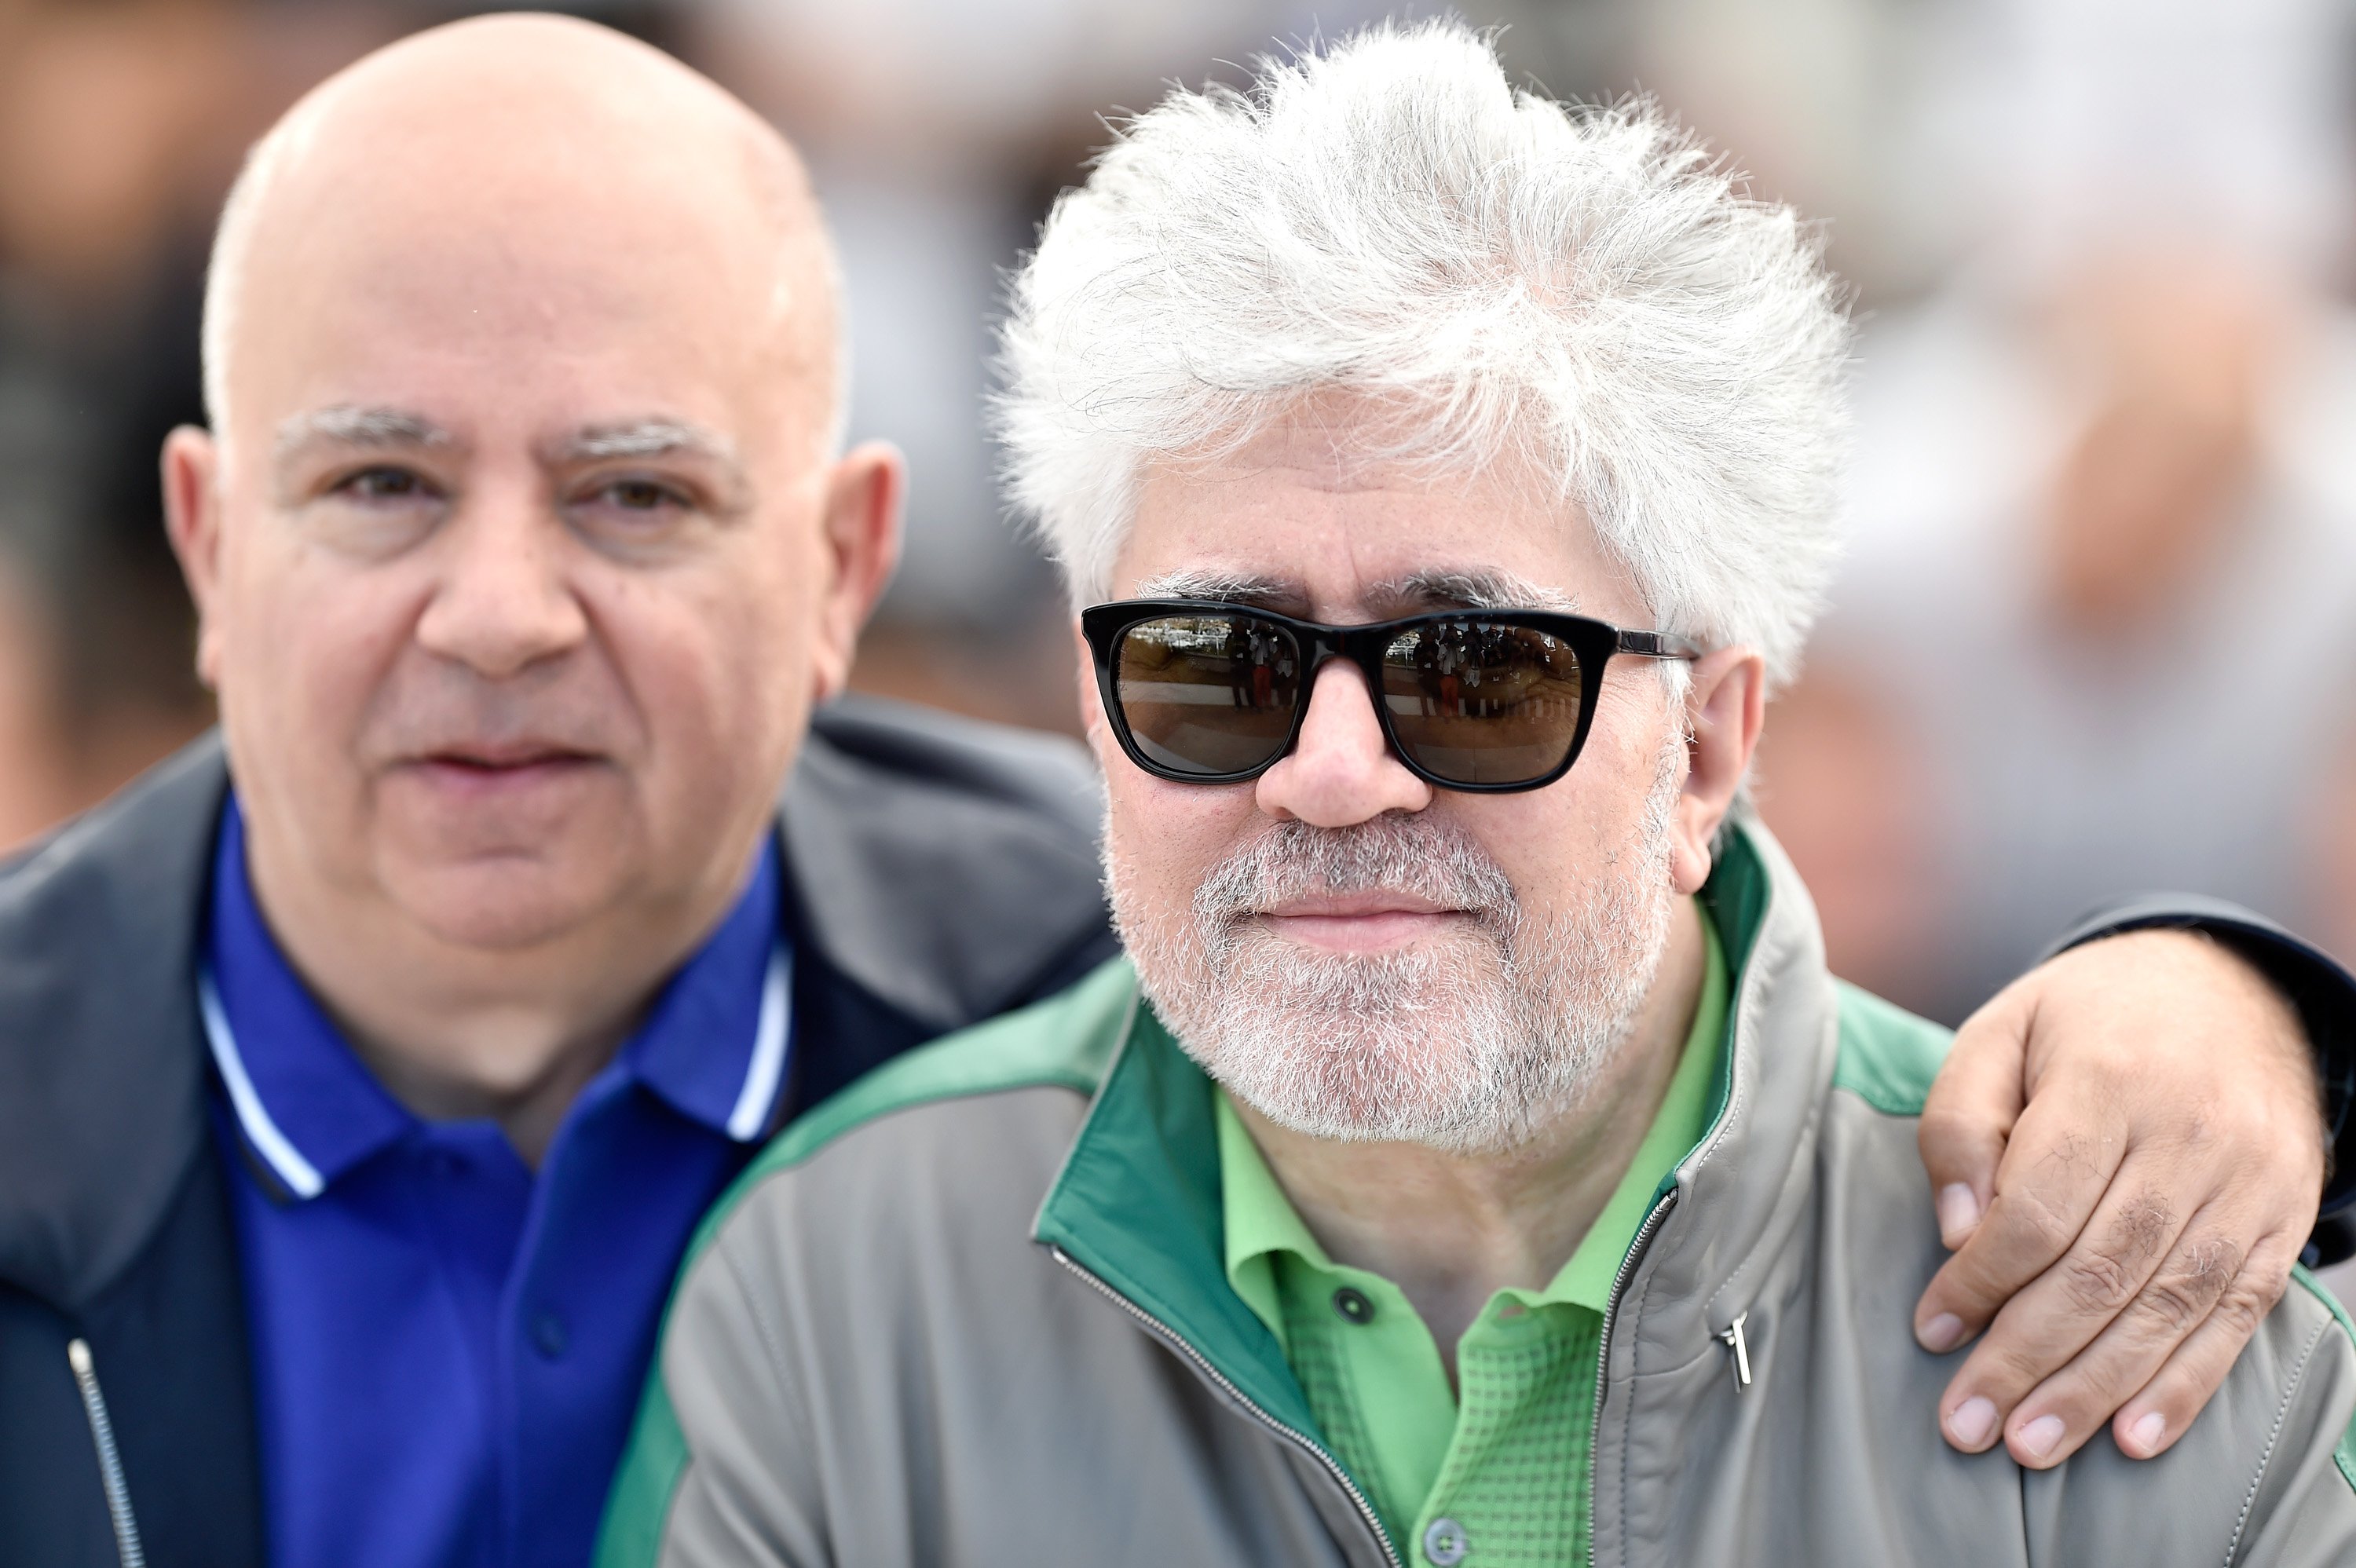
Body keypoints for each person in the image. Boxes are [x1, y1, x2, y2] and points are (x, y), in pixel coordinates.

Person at [0, 14, 2344, 1568]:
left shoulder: (2109, 1296)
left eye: (1479, 669)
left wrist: (2248, 1030)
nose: (1328, 775)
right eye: (1212, 670)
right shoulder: (853, 1272)